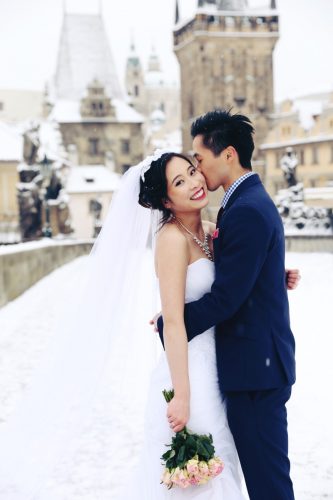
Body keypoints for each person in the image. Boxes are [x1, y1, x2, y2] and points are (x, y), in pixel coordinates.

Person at [155, 109, 297, 500]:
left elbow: (227, 297)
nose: (198, 172)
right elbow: (239, 271)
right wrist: (274, 275)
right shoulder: (242, 203)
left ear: (228, 154)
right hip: (252, 367)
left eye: (198, 160)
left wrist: (173, 322)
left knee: (269, 486)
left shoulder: (245, 209)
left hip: (254, 373)